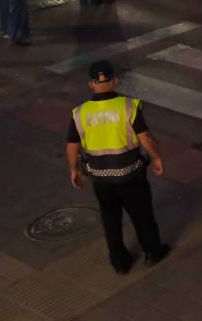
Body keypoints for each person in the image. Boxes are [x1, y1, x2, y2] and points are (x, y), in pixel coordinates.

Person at [66, 60, 169, 274]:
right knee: (142, 215)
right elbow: (146, 138)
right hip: (131, 175)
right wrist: (157, 158)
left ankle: (120, 263)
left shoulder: (80, 112)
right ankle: (152, 252)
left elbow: (71, 145)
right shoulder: (128, 106)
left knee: (110, 219)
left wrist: (74, 169)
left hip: (101, 180)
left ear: (91, 84)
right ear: (115, 81)